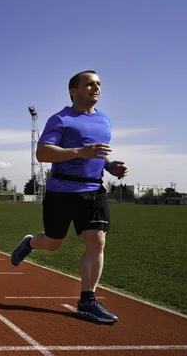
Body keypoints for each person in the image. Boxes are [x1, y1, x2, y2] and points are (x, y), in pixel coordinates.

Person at [10, 70, 129, 324]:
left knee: (96, 242)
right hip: (61, 191)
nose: (96, 88)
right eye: (89, 84)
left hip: (94, 191)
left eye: (98, 84)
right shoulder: (61, 119)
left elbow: (97, 154)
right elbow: (42, 152)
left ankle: (88, 301)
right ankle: (30, 243)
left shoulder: (105, 121)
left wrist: (110, 166)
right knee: (53, 242)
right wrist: (79, 152)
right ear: (74, 90)